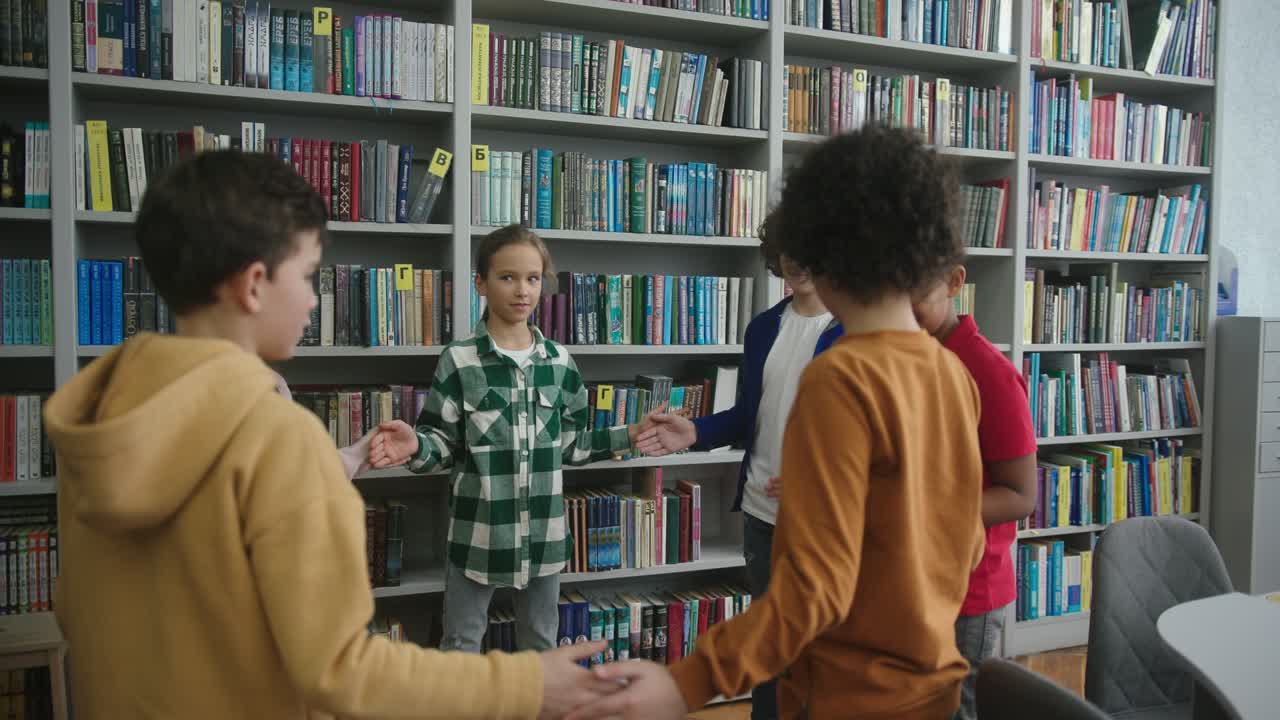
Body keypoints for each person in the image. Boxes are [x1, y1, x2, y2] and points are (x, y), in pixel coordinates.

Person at [43, 151, 611, 719]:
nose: (316, 300)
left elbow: (81, 611)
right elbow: (340, 670)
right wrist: (520, 684)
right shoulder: (280, 436)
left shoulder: (105, 408)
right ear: (255, 285)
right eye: (309, 275)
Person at [564, 126, 988, 720]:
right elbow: (964, 543)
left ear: (821, 250)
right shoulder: (952, 374)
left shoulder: (839, 380)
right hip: (930, 687)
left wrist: (688, 682)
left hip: (844, 695)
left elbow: (814, 590)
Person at [369, 225, 662, 654]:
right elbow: (442, 443)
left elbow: (571, 444)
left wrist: (633, 432)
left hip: (544, 537)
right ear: (481, 285)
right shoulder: (459, 360)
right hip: (478, 536)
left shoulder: (560, 362)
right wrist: (416, 445)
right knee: (461, 642)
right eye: (507, 277)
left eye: (532, 278)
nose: (522, 290)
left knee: (541, 643)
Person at [634, 211, 842, 720]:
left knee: (820, 658)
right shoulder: (765, 326)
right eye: (786, 262)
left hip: (822, 521)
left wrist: (817, 487)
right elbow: (751, 414)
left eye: (807, 260)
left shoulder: (855, 332)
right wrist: (697, 432)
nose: (796, 274)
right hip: (762, 516)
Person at [912, 263, 1039, 720]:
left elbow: (1021, 495)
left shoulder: (990, 373)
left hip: (967, 590)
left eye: (916, 296)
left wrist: (915, 509)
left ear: (954, 282)